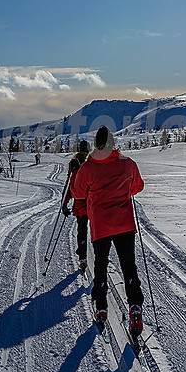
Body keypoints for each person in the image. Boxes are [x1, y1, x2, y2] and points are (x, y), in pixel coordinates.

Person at [71, 126, 145, 337]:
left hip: (101, 225)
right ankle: (135, 307)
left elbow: (78, 193)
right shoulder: (128, 163)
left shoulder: (88, 167)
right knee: (129, 267)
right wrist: (123, 188)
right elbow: (137, 187)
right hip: (124, 224)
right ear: (113, 144)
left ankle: (101, 307)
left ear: (96, 145)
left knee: (100, 267)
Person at [61, 140, 90, 271]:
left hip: (81, 205)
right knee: (96, 232)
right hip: (94, 204)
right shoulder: (93, 162)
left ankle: (83, 258)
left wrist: (65, 203)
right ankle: (100, 257)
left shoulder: (75, 164)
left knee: (82, 232)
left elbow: (69, 184)